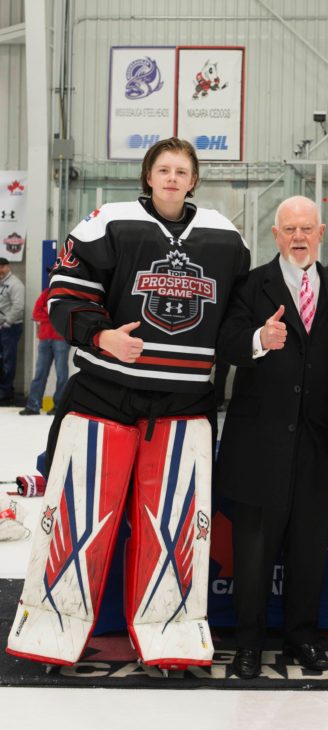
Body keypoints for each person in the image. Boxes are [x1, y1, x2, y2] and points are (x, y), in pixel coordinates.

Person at [7, 137, 249, 671]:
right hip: (104, 397)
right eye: (162, 168)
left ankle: (172, 635)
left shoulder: (225, 236)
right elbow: (64, 297)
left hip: (185, 405)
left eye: (181, 170)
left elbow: (235, 317)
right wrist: (101, 337)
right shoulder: (107, 221)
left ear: (193, 179)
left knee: (175, 528)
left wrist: (255, 340)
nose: (171, 177)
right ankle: (53, 628)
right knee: (78, 518)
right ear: (147, 175)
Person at [215, 195, 328, 679]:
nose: (298, 237)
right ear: (276, 235)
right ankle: (248, 643)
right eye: (289, 229)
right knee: (254, 552)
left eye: (306, 229)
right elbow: (226, 341)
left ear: (321, 233)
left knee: (308, 550)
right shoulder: (250, 284)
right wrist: (259, 340)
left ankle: (303, 636)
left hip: (319, 445)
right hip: (258, 443)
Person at [19, 286, 70, 416]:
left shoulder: (68, 294)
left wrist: (46, 312)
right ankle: (33, 405)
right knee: (40, 373)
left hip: (61, 339)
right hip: (45, 339)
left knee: (61, 374)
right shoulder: (46, 293)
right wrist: (53, 314)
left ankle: (59, 406)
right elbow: (36, 314)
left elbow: (67, 316)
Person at [0, 257, 24, 406]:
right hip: (2, 328)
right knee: (1, 361)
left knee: (9, 360)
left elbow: (18, 306)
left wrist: (7, 323)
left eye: (2, 267)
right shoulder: (2, 283)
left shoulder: (15, 284)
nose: (0, 270)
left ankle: (6, 393)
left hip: (10, 328)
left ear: (8, 267)